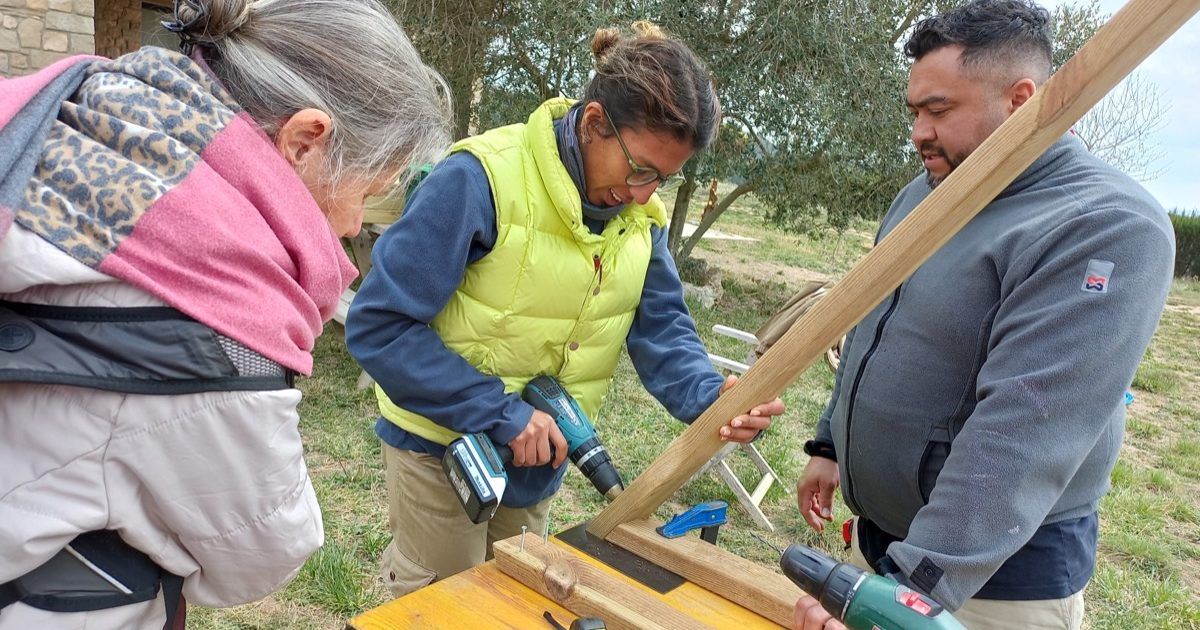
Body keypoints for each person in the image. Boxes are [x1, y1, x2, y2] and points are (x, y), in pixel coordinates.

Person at [0, 0, 450, 626]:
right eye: (369, 195)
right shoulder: (214, 313)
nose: (351, 228)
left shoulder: (77, 116)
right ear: (305, 139)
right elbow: (264, 550)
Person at [346, 21, 785, 598]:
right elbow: (382, 326)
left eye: (664, 180)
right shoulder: (480, 180)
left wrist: (710, 397)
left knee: (519, 597)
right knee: (446, 603)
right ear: (595, 122)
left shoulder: (638, 220)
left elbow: (664, 330)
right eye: (640, 169)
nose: (644, 194)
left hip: (537, 460)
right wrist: (498, 412)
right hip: (441, 447)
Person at [792, 1, 1175, 629]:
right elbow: (876, 325)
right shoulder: (928, 191)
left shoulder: (1102, 225)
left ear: (1021, 100)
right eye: (915, 111)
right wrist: (831, 443)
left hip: (988, 589)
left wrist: (910, 594)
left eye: (939, 111)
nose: (919, 131)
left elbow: (1024, 429)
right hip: (889, 551)